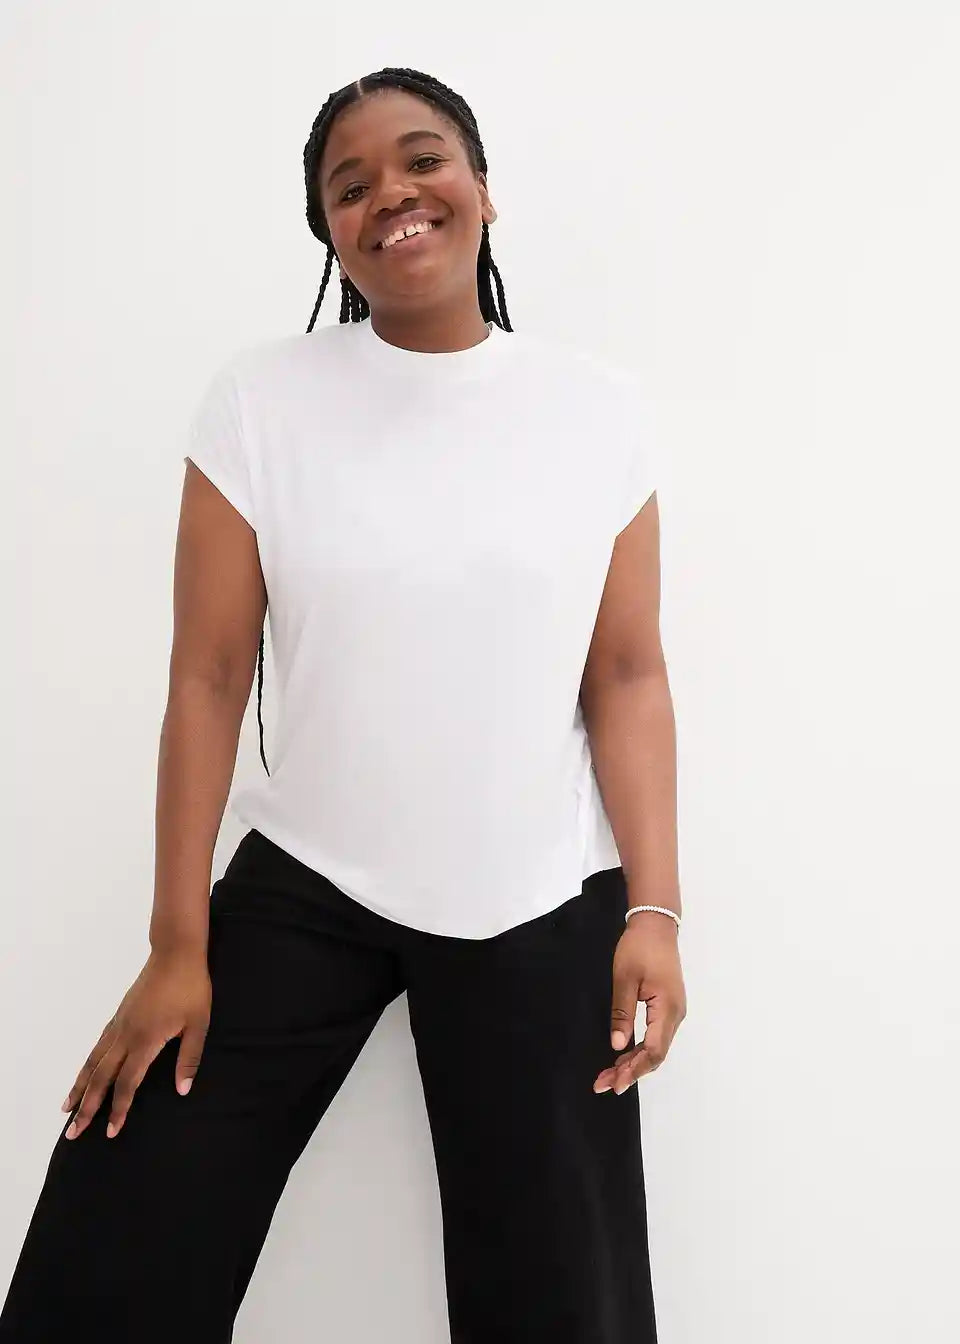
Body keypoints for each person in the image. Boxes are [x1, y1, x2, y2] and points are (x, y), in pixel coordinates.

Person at [0, 66, 686, 1343]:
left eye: (423, 161)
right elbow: (209, 677)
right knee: (119, 1222)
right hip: (310, 880)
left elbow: (627, 675)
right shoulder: (262, 402)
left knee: (563, 1302)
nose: (393, 197)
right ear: (329, 230)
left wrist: (655, 909)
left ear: (482, 188)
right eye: (350, 186)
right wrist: (178, 943)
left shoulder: (597, 411)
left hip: (536, 892)